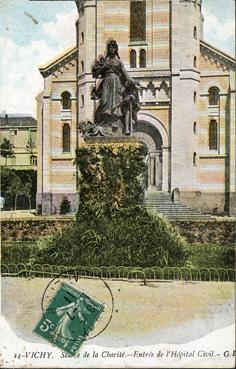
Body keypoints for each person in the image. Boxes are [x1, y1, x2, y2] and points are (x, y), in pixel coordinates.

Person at [91, 40, 140, 132]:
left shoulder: (119, 62)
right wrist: (101, 66)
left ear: (116, 49)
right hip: (106, 83)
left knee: (116, 104)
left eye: (113, 48)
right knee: (104, 102)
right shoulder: (105, 62)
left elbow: (126, 75)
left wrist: (134, 82)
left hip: (116, 84)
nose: (112, 50)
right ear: (108, 49)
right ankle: (104, 124)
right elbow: (95, 74)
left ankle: (115, 125)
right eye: (110, 48)